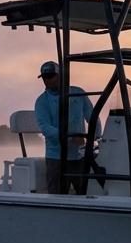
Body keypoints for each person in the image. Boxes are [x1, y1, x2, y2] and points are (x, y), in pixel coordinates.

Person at [34, 61, 92, 195]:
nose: (47, 80)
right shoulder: (42, 101)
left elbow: (93, 118)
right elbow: (45, 128)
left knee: (86, 194)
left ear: (60, 75)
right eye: (44, 77)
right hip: (56, 158)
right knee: (56, 196)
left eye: (51, 76)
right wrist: (71, 137)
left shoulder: (78, 93)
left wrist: (98, 137)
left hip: (80, 157)